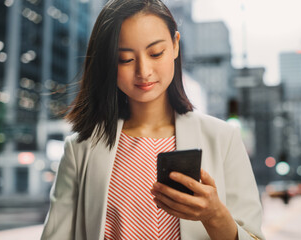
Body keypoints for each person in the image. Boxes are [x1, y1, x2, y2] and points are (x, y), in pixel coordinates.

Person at [41, 0, 264, 239]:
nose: (144, 71)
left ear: (175, 45)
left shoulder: (223, 138)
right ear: (108, 62)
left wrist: (215, 215)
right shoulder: (80, 149)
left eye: (156, 53)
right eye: (125, 59)